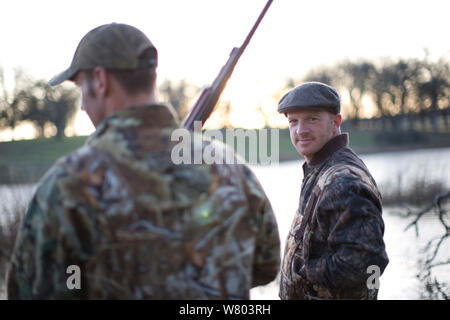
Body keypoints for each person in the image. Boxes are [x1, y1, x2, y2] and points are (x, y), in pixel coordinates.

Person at [6, 23, 280, 299]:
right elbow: (265, 265)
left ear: (100, 81)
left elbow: (34, 291)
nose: (82, 105)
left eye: (80, 88)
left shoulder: (70, 183)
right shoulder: (230, 166)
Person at [278, 82, 389, 300]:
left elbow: (368, 264)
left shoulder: (343, 181)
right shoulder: (321, 169)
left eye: (312, 119)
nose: (301, 130)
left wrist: (304, 270)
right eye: (293, 121)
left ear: (336, 122)